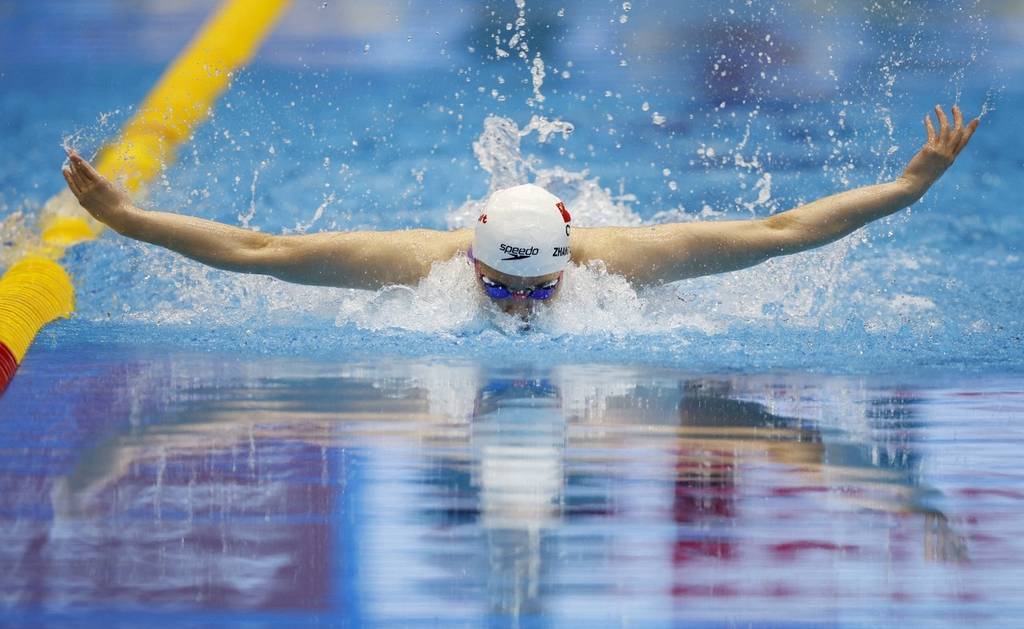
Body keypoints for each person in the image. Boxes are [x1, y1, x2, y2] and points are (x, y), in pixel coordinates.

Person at [62, 105, 979, 318]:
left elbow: (783, 234)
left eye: (537, 295)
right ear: (471, 258)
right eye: (500, 292)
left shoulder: (629, 260)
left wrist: (907, 188)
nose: (519, 313)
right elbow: (260, 249)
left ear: (570, 260)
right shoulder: (411, 262)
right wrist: (127, 217)